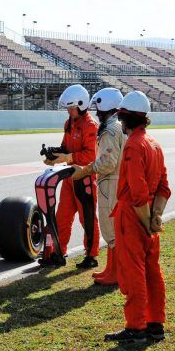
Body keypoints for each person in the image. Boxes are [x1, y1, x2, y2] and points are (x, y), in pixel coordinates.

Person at [105, 91, 170, 343]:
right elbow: (164, 187)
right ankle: (155, 325)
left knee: (133, 274)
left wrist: (146, 223)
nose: (120, 123)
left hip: (133, 219)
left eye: (121, 118)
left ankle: (136, 328)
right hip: (149, 217)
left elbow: (137, 193)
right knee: (153, 273)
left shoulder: (134, 145)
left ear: (128, 118)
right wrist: (156, 218)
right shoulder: (154, 143)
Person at [39, 84, 100, 268]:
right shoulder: (69, 123)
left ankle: (91, 255)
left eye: (71, 107)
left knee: (87, 219)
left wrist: (69, 157)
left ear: (81, 105)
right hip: (69, 178)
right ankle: (58, 252)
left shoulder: (91, 126)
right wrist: (53, 154)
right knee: (61, 217)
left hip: (85, 177)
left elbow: (91, 156)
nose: (68, 110)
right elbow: (65, 147)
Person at [72, 88, 125, 285]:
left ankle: (116, 273)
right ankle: (111, 269)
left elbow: (107, 163)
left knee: (110, 229)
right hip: (113, 182)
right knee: (111, 229)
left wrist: (86, 170)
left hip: (110, 183)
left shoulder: (110, 130)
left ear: (106, 107)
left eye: (99, 110)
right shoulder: (116, 126)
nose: (96, 114)